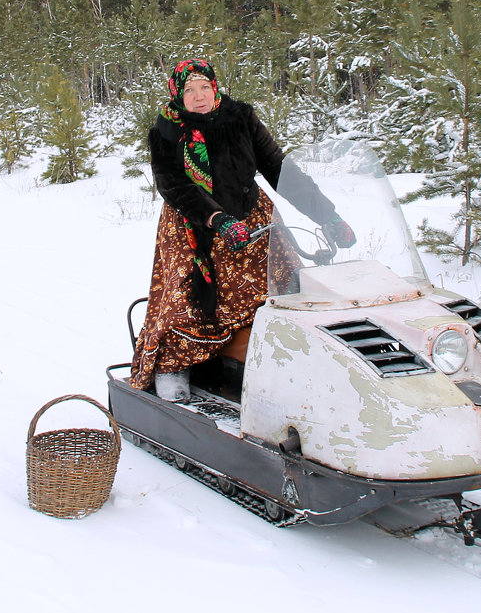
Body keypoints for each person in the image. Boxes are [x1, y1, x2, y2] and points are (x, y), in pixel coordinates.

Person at [130, 59, 355, 402]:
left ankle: (272, 352)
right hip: (194, 222)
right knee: (185, 297)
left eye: (205, 87)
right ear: (178, 94)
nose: (199, 96)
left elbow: (280, 169)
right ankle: (173, 365)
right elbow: (173, 184)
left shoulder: (241, 118)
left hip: (250, 215)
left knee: (288, 282)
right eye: (189, 90)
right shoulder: (166, 130)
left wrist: (328, 216)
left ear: (215, 87)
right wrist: (216, 219)